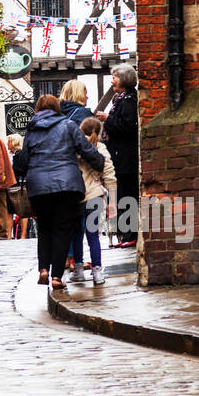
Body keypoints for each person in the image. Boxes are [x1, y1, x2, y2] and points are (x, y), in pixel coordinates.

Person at [19, 94, 104, 292]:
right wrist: (99, 163)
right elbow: (85, 149)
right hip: (67, 185)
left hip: (39, 187)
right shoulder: (68, 125)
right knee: (62, 230)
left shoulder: (31, 130)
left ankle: (43, 270)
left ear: (38, 109)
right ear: (57, 107)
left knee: (45, 229)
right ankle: (57, 276)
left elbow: (23, 161)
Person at [69, 117, 117, 287]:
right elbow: (109, 175)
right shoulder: (101, 149)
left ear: (81, 131)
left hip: (77, 196)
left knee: (76, 234)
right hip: (95, 195)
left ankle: (79, 270)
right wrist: (112, 203)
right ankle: (97, 272)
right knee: (93, 235)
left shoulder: (75, 148)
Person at [95, 64, 139, 248]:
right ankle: (125, 235)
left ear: (124, 79)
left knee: (127, 196)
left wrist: (107, 119)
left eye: (115, 77)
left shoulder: (129, 100)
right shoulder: (120, 98)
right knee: (122, 196)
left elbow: (128, 127)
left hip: (125, 158)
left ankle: (130, 235)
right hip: (119, 157)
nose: (112, 80)